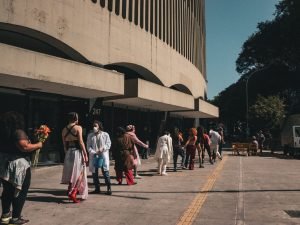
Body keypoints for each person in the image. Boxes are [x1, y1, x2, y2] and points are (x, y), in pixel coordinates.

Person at [0, 111, 43, 225]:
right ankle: (15, 218)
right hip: (18, 165)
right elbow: (24, 147)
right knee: (20, 191)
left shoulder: (3, 132)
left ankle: (5, 216)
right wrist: (38, 144)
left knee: (7, 191)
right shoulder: (18, 132)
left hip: (4, 164)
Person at [61, 112, 88, 203]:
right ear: (76, 118)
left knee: (71, 172)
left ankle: (70, 190)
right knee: (80, 172)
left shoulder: (64, 129)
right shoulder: (78, 127)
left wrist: (66, 153)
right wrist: (85, 153)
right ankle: (74, 191)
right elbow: (81, 141)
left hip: (68, 152)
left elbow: (64, 144)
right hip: (77, 152)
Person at [86, 120, 112, 195]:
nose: (94, 127)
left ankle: (109, 188)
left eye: (95, 126)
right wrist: (94, 152)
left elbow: (108, 144)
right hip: (94, 156)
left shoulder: (105, 134)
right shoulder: (90, 135)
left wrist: (102, 148)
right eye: (93, 126)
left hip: (103, 155)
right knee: (94, 173)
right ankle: (97, 188)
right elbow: (88, 146)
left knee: (105, 172)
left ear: (99, 126)